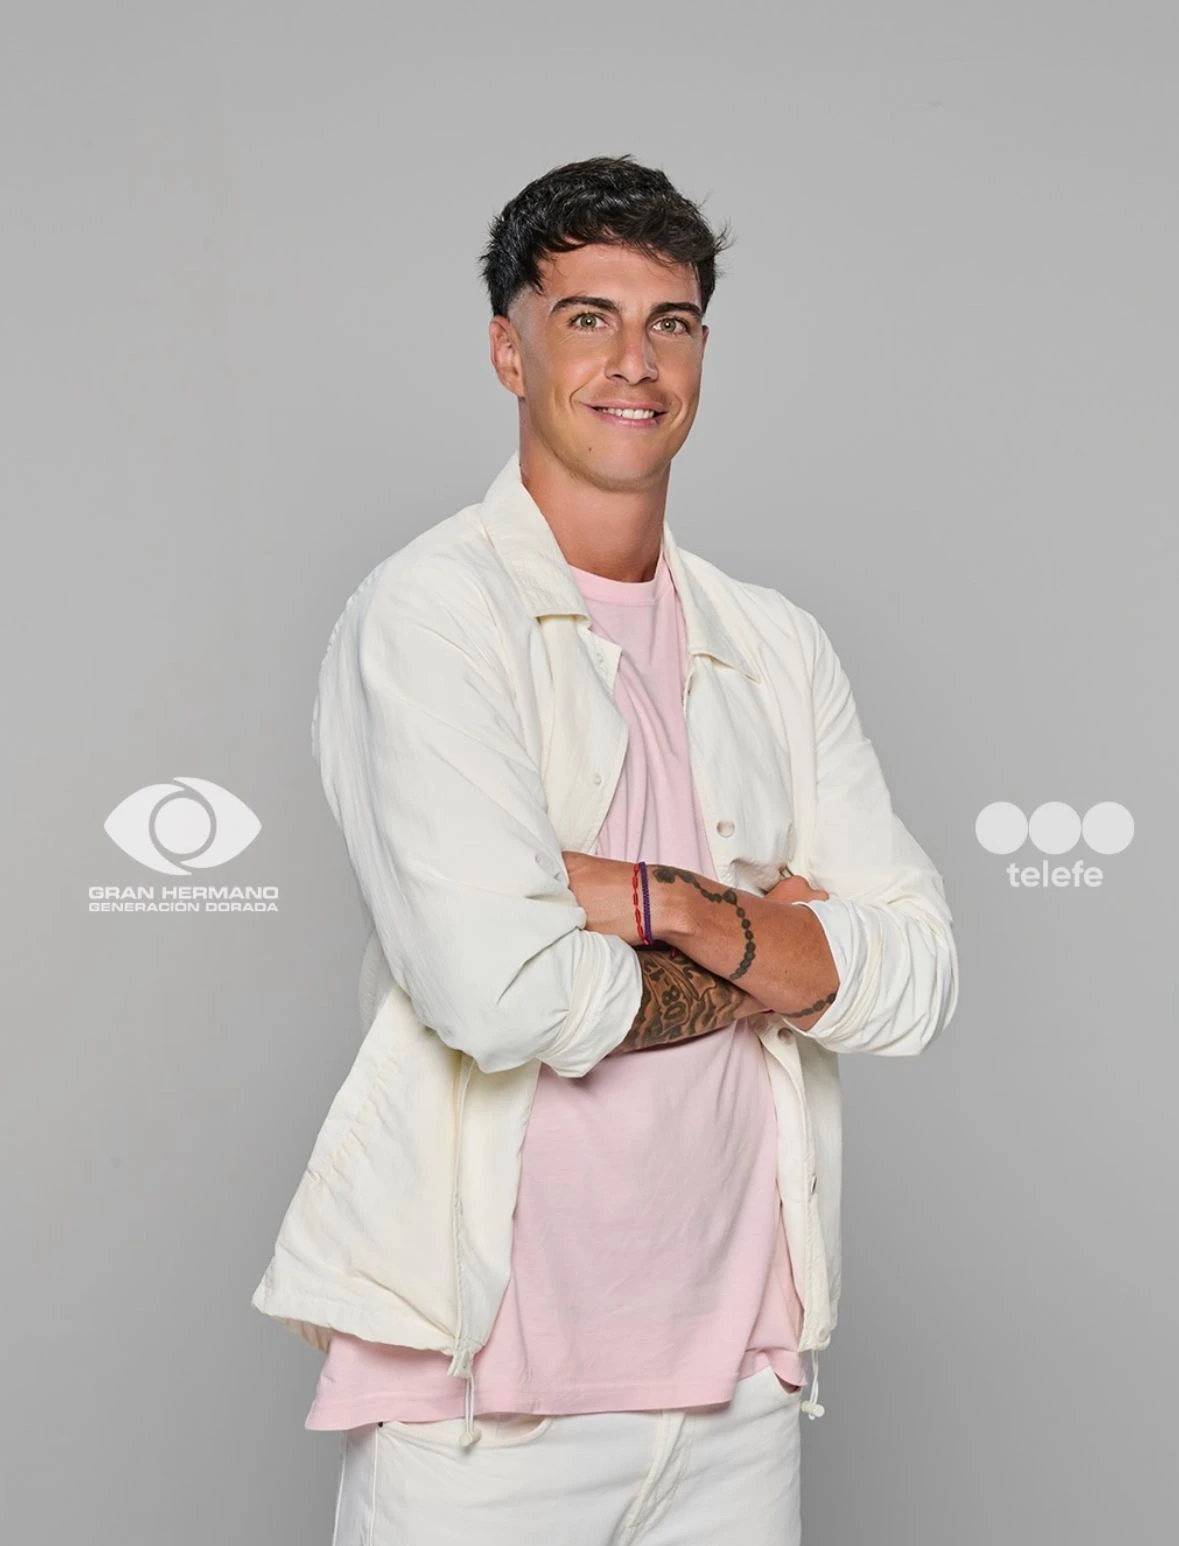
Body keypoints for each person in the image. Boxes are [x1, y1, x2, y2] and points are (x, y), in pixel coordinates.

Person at [251, 153, 959, 1545]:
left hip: (739, 1389)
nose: (634, 360)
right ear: (508, 350)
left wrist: (652, 902)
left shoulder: (775, 643)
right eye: (588, 317)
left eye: (670, 321)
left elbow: (917, 976)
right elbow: (499, 996)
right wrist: (771, 944)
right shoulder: (431, 614)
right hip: (483, 1399)